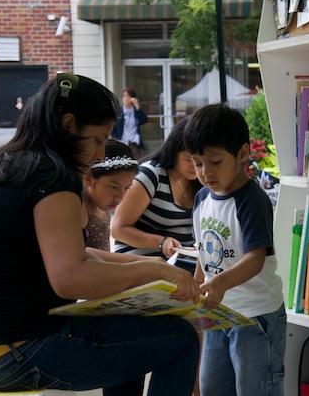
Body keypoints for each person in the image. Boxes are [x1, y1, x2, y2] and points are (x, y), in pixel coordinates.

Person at [0, 73, 200, 395]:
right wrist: (156, 269)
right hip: (21, 348)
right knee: (180, 338)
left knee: (134, 336)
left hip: (5, 345)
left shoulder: (8, 161)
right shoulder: (53, 175)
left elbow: (76, 254)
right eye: (98, 140)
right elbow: (70, 277)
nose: (101, 155)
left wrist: (151, 272)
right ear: (68, 124)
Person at [183, 103, 286, 395]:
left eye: (215, 161)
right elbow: (203, 249)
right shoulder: (202, 197)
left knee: (255, 389)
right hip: (217, 313)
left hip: (256, 317)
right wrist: (196, 283)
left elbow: (255, 259)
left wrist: (220, 283)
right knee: (213, 386)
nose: (205, 172)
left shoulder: (252, 200)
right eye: (198, 163)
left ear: (242, 153)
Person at [111, 119, 203, 265]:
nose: (195, 166)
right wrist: (161, 242)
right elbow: (118, 229)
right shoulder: (151, 175)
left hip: (185, 262)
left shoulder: (203, 179)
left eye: (201, 161)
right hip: (140, 260)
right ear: (174, 151)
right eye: (188, 159)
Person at [82, 138, 164, 265]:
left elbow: (107, 255)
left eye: (127, 188)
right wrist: (144, 262)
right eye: (113, 187)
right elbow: (82, 253)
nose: (119, 197)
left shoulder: (104, 206)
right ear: (88, 178)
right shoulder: (79, 207)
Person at [112, 87, 148, 159]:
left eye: (128, 96)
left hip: (133, 141)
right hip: (121, 141)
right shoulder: (118, 111)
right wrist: (115, 137)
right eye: (124, 96)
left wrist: (137, 106)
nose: (126, 98)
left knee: (136, 161)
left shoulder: (135, 111)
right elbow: (112, 125)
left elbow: (144, 120)